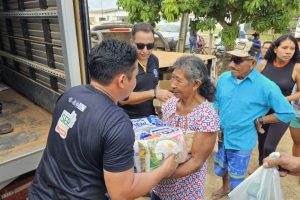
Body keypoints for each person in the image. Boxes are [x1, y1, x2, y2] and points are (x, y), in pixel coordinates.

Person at [29, 40, 178, 200]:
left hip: (39, 193)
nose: (135, 82)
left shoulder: (70, 95)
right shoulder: (117, 123)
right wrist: (165, 169)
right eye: (135, 77)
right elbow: (121, 193)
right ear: (122, 80)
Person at [212, 48, 295, 199]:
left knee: (237, 176)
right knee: (222, 166)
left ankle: (235, 194)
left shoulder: (266, 86)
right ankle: (225, 187)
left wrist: (261, 120)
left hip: (242, 140)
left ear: (252, 63)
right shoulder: (224, 78)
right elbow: (217, 101)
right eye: (231, 59)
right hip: (221, 135)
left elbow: (287, 112)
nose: (231, 64)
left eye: (237, 61)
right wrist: (215, 115)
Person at [151, 55, 220, 199]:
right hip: (159, 189)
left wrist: (160, 174)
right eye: (172, 78)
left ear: (195, 84)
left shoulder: (206, 116)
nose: (172, 85)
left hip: (185, 192)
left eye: (178, 80)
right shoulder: (170, 104)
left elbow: (196, 162)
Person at [256, 34, 300, 165]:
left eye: (292, 49)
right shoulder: (264, 64)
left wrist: (283, 99)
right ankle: (261, 170)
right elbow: (253, 85)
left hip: (282, 112)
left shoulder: (296, 67)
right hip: (262, 111)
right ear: (275, 49)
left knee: (269, 147)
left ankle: (268, 170)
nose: (288, 51)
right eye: (284, 47)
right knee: (261, 144)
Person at [119, 22, 173, 119]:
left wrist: (160, 109)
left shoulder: (154, 60)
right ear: (132, 42)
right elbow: (122, 99)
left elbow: (155, 85)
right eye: (140, 46)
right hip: (128, 120)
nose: (145, 50)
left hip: (150, 118)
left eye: (150, 46)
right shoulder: (124, 63)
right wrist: (154, 93)